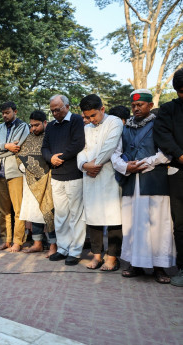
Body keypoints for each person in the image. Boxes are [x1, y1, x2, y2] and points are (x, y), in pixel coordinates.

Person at [112, 89, 176, 284]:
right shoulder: (125, 128)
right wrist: (125, 166)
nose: (136, 108)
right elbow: (115, 154)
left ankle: (159, 266)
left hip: (155, 182)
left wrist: (142, 164)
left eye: (140, 105)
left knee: (158, 225)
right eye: (133, 105)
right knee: (132, 225)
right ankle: (135, 263)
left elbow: (166, 154)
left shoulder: (160, 125)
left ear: (150, 106)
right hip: (131, 183)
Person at [78, 94, 123, 271]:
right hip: (90, 175)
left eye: (93, 116)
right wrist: (84, 165)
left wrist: (94, 165)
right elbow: (81, 149)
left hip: (109, 174)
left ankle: (111, 258)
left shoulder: (114, 122)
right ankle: (97, 256)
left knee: (113, 217)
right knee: (93, 217)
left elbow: (109, 147)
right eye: (87, 117)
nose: (90, 120)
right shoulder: (86, 128)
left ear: (102, 109)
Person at [41, 95, 85, 265]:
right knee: (60, 215)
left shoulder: (76, 120)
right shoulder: (51, 126)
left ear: (67, 106)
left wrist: (62, 158)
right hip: (57, 175)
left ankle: (75, 251)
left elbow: (78, 143)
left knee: (76, 215)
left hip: (74, 174)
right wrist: (51, 158)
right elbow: (44, 147)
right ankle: (62, 249)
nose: (54, 113)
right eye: (52, 110)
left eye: (57, 109)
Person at [154, 67, 183, 287]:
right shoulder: (168, 109)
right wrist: (180, 155)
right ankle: (181, 269)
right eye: (181, 91)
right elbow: (163, 135)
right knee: (180, 223)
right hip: (178, 171)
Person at [0, 101, 29, 252]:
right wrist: (6, 146)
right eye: (3, 113)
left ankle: (18, 241)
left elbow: (18, 147)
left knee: (18, 209)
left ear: (15, 111)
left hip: (15, 172)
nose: (5, 115)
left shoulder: (23, 126)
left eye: (7, 112)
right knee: (2, 210)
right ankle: (6, 240)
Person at [16, 110, 56, 256]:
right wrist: (25, 167)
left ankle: (53, 245)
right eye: (31, 125)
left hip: (47, 180)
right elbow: (20, 156)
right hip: (30, 181)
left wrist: (41, 171)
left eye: (37, 125)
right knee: (34, 213)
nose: (33, 129)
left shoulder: (51, 136)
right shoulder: (29, 138)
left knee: (48, 212)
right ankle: (37, 243)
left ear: (45, 123)